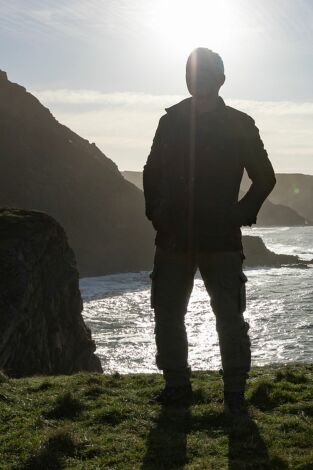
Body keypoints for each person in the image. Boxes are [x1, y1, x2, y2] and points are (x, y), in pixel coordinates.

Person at [143, 47, 276, 413]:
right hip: (172, 236)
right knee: (167, 312)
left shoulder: (240, 123)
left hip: (220, 238)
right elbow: (151, 170)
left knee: (229, 317)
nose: (196, 80)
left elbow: (265, 178)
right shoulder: (169, 121)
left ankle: (234, 392)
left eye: (203, 74)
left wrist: (239, 215)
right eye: (191, 73)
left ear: (220, 79)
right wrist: (155, 213)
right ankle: (177, 387)